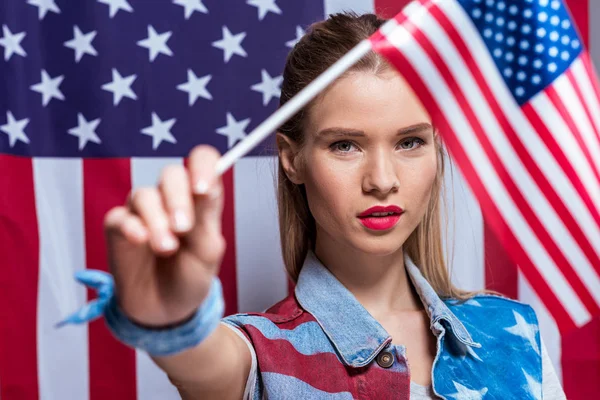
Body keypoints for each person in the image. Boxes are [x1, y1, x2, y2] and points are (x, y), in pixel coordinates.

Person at [70, 12, 567, 399]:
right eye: (345, 145)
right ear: (292, 159)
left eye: (410, 142)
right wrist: (174, 324)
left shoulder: (513, 332)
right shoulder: (261, 356)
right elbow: (207, 365)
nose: (383, 180)